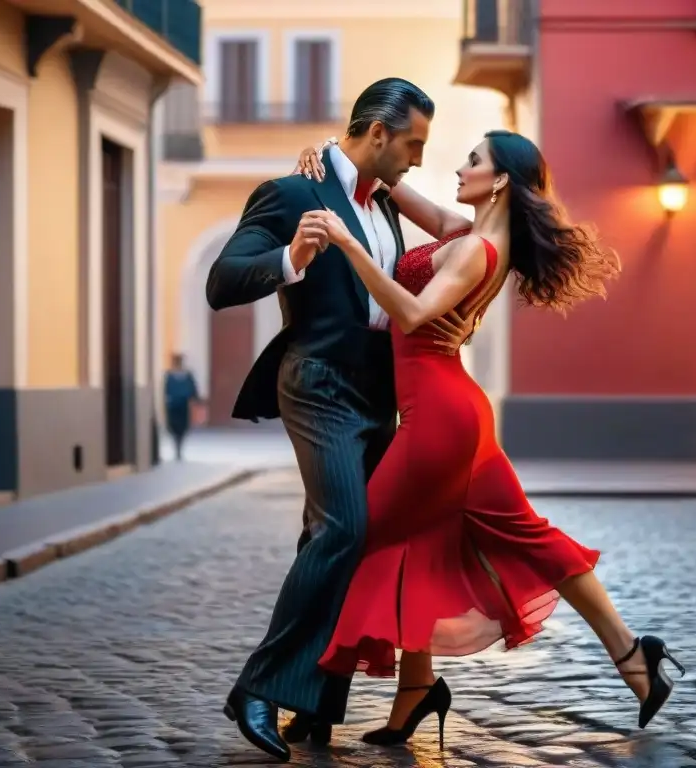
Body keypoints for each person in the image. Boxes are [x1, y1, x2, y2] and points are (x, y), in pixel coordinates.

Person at [292, 131, 686, 749]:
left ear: (500, 180)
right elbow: (394, 186)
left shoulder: (476, 249)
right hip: (456, 411)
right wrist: (335, 155)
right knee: (516, 535)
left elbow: (414, 315)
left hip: (439, 422)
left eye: (473, 160)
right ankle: (634, 657)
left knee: (363, 537)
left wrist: (346, 242)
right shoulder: (464, 229)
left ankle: (311, 694)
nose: (459, 165)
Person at [205, 78, 477, 763]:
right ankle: (259, 689)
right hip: (319, 382)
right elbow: (222, 282)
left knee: (342, 538)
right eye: (412, 142)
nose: (418, 156)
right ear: (378, 133)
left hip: (377, 392)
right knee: (343, 527)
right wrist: (291, 259)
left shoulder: (383, 202)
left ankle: (316, 705)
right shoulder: (293, 193)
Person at [163, 353, 202, 461]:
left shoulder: (187, 375)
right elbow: (165, 390)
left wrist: (196, 400)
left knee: (183, 427)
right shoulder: (169, 375)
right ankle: (177, 448)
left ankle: (179, 448)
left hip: (184, 405)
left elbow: (193, 389)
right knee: (174, 427)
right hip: (172, 405)